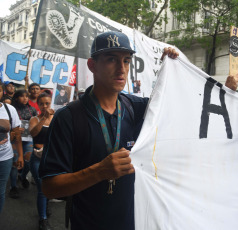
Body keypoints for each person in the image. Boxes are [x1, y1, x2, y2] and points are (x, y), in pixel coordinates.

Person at [39, 31, 179, 230]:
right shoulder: (68, 117)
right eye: (111, 59)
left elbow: (175, 109)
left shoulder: (136, 108)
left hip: (133, 223)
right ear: (92, 65)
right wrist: (99, 171)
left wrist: (170, 68)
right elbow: (49, 187)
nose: (121, 69)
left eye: (126, 60)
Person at [29, 92, 54, 230]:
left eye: (47, 103)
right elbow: (33, 133)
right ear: (37, 105)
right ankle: (43, 219)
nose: (44, 106)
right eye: (41, 104)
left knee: (50, 186)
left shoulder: (57, 119)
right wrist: (44, 119)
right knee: (42, 190)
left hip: (52, 159)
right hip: (37, 159)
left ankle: (46, 204)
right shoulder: (35, 119)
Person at [0, 81, 23, 213]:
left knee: (0, 192)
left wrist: (19, 155)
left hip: (5, 158)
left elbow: (16, 135)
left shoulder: (9, 110)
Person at [11, 90, 38, 189]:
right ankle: (13, 186)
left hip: (28, 139)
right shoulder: (12, 109)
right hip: (15, 139)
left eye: (27, 96)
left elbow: (37, 122)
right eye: (22, 96)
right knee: (15, 162)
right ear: (17, 97)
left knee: (28, 160)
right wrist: (14, 128)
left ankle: (22, 176)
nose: (25, 98)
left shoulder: (33, 109)